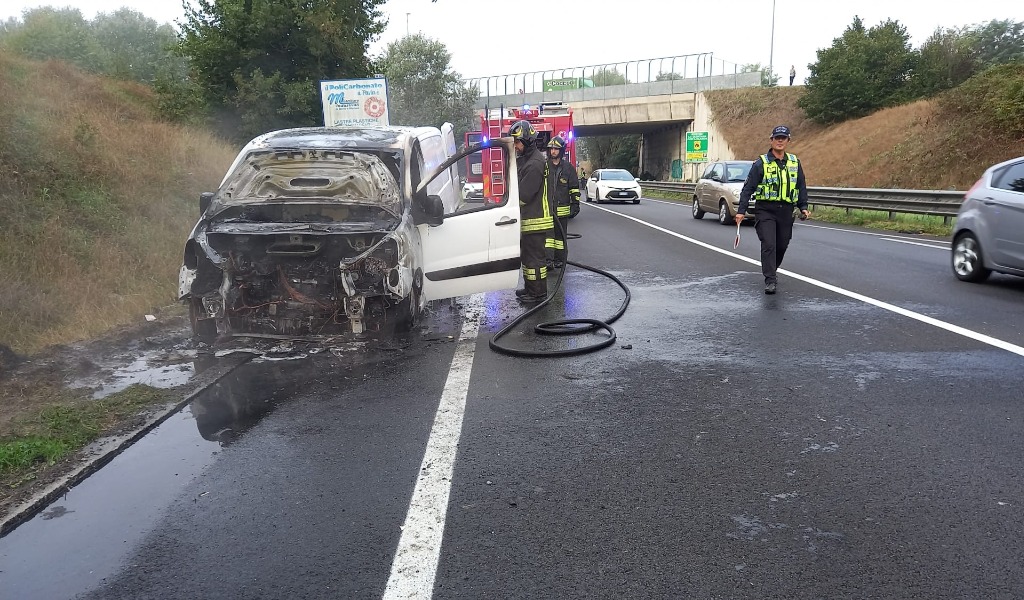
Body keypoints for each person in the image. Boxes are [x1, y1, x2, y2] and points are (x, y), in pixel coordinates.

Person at [735, 125, 810, 295]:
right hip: (765, 210)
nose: (780, 141)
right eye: (777, 138)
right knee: (769, 243)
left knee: (782, 245)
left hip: (786, 211)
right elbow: (747, 189)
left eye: (783, 138)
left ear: (788, 140)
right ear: (772, 140)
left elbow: (801, 186)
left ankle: (771, 269)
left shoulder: (794, 162)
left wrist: (803, 207)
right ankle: (770, 279)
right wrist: (741, 211)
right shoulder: (760, 163)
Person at [508, 119, 552, 304]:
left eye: (517, 142)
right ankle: (530, 288)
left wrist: (506, 207)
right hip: (528, 220)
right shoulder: (526, 159)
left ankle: (538, 293)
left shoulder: (534, 163)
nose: (515, 146)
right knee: (528, 257)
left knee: (534, 260)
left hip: (535, 219)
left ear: (526, 140)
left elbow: (524, 195)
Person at [544, 135, 580, 269]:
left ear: (561, 150)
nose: (553, 151)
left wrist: (575, 204)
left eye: (556, 149)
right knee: (548, 238)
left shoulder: (568, 168)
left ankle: (560, 260)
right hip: (547, 209)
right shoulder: (544, 167)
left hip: (562, 210)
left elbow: (574, 187)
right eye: (551, 149)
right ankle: (548, 260)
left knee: (560, 237)